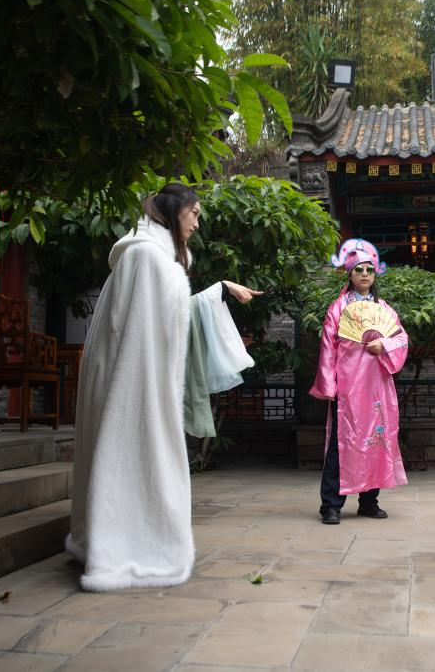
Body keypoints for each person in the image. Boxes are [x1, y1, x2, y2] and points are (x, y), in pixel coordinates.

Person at [66, 183, 261, 591]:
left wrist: (221, 289)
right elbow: (139, 333)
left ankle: (125, 540)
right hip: (132, 381)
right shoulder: (145, 256)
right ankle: (127, 548)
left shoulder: (150, 255)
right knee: (134, 455)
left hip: (139, 376)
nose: (197, 223)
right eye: (195, 213)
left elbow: (163, 318)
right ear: (175, 210)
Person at [310, 239, 409, 525]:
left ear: (375, 274)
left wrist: (384, 345)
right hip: (348, 386)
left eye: (369, 270)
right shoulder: (338, 308)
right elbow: (328, 349)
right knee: (340, 445)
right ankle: (331, 505)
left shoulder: (384, 309)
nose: (365, 274)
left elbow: (401, 338)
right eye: (359, 270)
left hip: (377, 385)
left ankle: (369, 501)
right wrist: (329, 385)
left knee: (376, 440)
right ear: (350, 274)